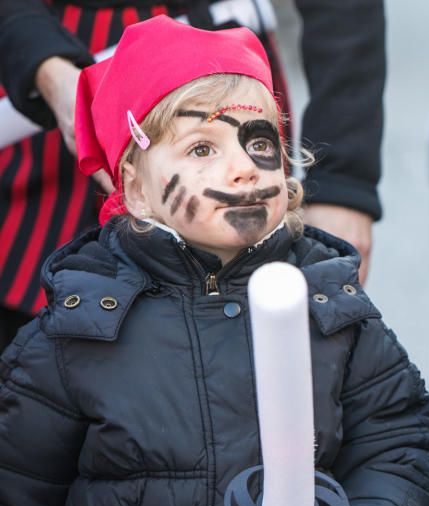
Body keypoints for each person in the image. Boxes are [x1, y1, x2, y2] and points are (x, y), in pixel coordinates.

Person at [0, 16, 429, 506]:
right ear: (134, 186)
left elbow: (401, 452)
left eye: (259, 144)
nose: (241, 169)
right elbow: (13, 502)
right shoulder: (79, 327)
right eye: (202, 148)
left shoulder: (331, 306)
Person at [0, 0, 382, 351]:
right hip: (36, 75)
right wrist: (40, 62)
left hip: (221, 68)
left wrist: (342, 183)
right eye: (202, 151)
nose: (243, 171)